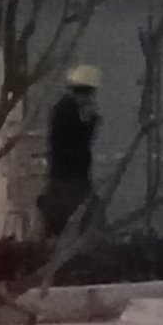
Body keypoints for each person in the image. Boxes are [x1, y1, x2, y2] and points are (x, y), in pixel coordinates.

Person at [40, 65, 100, 239]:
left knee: (63, 221)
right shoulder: (68, 112)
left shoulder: (64, 109)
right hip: (70, 179)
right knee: (83, 216)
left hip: (65, 176)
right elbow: (79, 142)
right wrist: (91, 123)